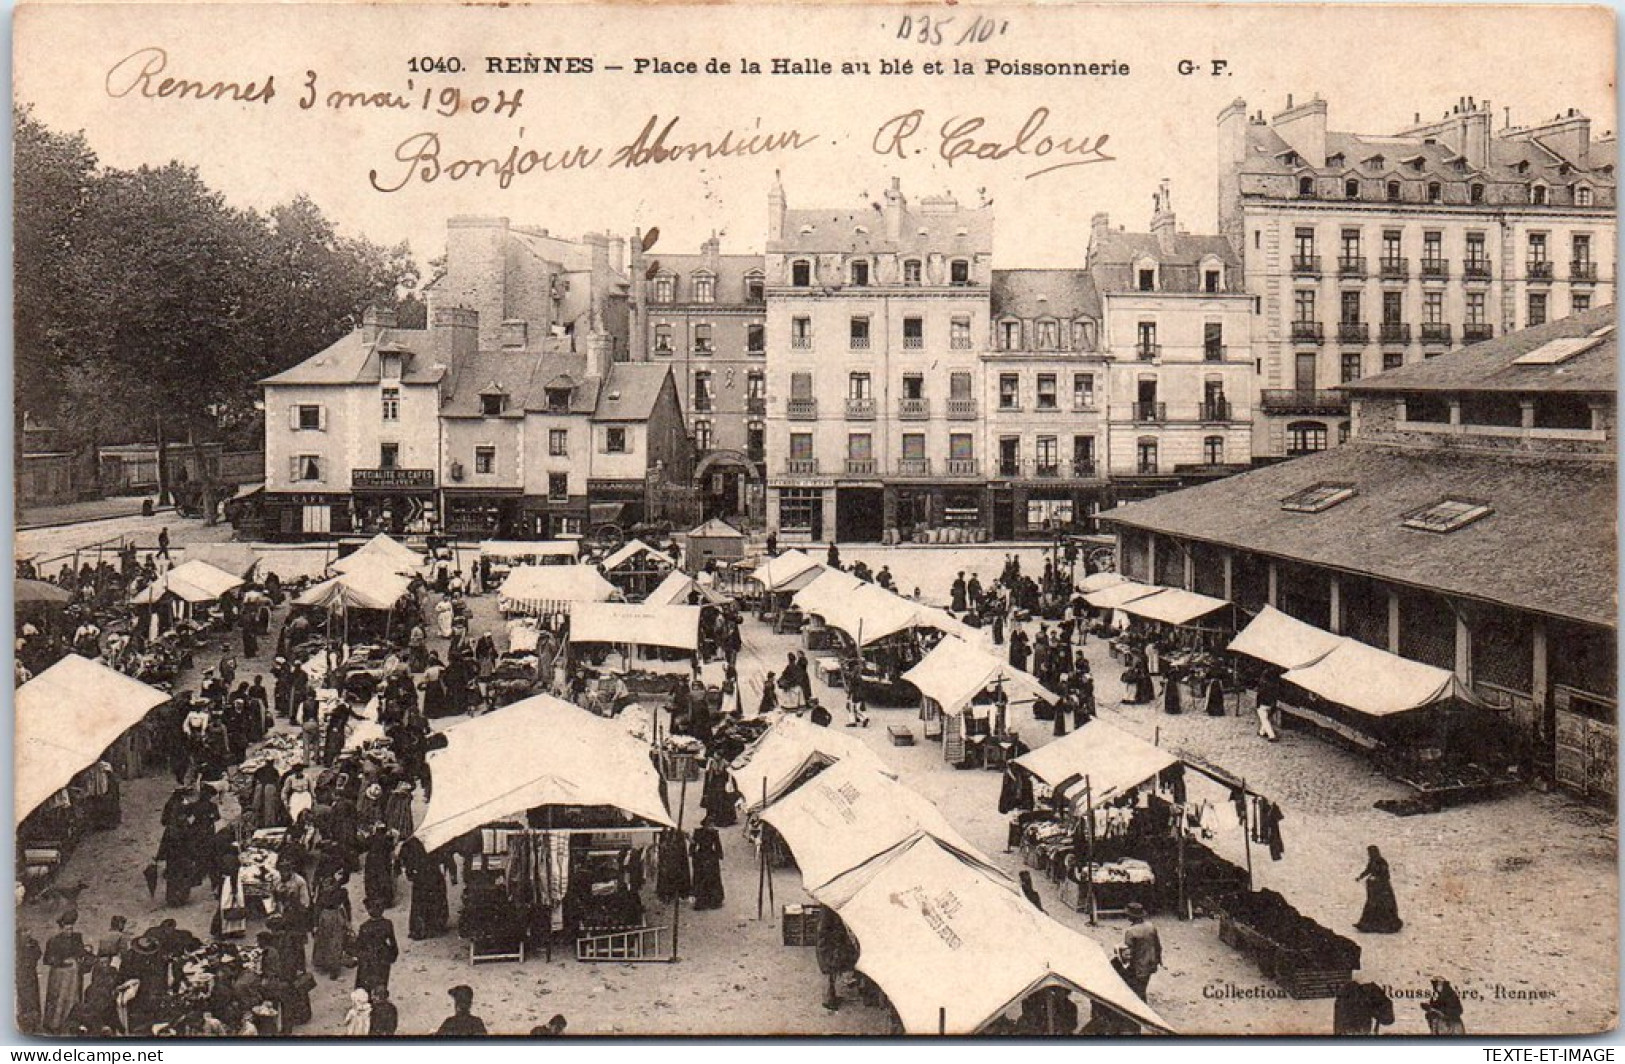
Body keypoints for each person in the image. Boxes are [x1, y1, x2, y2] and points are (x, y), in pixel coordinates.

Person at [42, 910, 87, 1034]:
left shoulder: (77, 938)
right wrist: (61, 962)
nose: (69, 932)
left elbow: (81, 952)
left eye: (71, 929)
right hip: (59, 974)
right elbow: (47, 959)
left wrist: (83, 956)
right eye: (67, 929)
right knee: (58, 998)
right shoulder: (53, 941)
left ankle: (71, 1023)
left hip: (73, 975)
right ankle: (55, 1024)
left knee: (72, 998)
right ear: (61, 928)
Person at [815, 906, 858, 1011]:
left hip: (826, 943)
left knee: (829, 972)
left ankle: (830, 998)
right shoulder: (827, 911)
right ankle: (828, 1001)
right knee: (828, 972)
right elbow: (825, 929)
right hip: (826, 945)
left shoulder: (826, 910)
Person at [1118, 902, 1161, 1001]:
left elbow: (1127, 954)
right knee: (1142, 988)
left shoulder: (1131, 931)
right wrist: (1157, 961)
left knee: (1137, 992)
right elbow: (1158, 946)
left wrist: (1119, 951)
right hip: (1150, 963)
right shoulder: (1151, 927)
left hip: (1138, 966)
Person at [1355, 845, 1403, 933]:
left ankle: (1385, 925)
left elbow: (1386, 875)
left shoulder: (1382, 862)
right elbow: (1368, 870)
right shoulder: (1372, 862)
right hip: (1375, 888)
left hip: (1383, 889)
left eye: (1370, 853)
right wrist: (1360, 877)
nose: (1369, 855)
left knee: (1383, 906)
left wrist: (1377, 878)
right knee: (1372, 905)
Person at [353, 903, 399, 993]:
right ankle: (380, 1000)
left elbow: (358, 945)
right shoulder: (387, 924)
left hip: (368, 958)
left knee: (365, 982)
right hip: (383, 956)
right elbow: (392, 941)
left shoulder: (364, 927)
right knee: (381, 980)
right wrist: (393, 954)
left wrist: (358, 956)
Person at [690, 822, 725, 911]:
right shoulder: (698, 832)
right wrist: (693, 854)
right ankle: (701, 901)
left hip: (710, 856)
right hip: (701, 856)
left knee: (713, 878)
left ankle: (714, 900)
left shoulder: (714, 833)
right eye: (710, 825)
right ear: (705, 825)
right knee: (701, 878)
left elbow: (718, 845)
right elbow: (693, 845)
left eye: (712, 825)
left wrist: (719, 855)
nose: (711, 827)